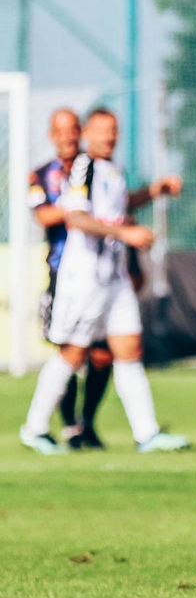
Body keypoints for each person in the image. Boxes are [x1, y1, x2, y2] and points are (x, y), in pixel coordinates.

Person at [19, 108, 188, 455]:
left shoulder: (112, 169)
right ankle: (35, 429)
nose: (109, 137)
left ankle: (147, 434)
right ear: (87, 134)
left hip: (114, 275)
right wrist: (124, 234)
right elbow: (76, 217)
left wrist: (154, 191)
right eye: (102, 130)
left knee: (129, 349)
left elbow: (119, 205)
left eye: (113, 130)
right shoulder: (83, 167)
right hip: (84, 276)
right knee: (73, 352)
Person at [27, 108, 114, 449]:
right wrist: (77, 206)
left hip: (102, 274)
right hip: (63, 273)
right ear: (52, 135)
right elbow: (44, 215)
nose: (67, 136)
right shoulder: (42, 175)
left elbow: (116, 213)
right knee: (70, 352)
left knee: (103, 354)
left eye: (73, 129)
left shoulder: (96, 167)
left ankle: (87, 422)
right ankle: (65, 427)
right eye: (60, 130)